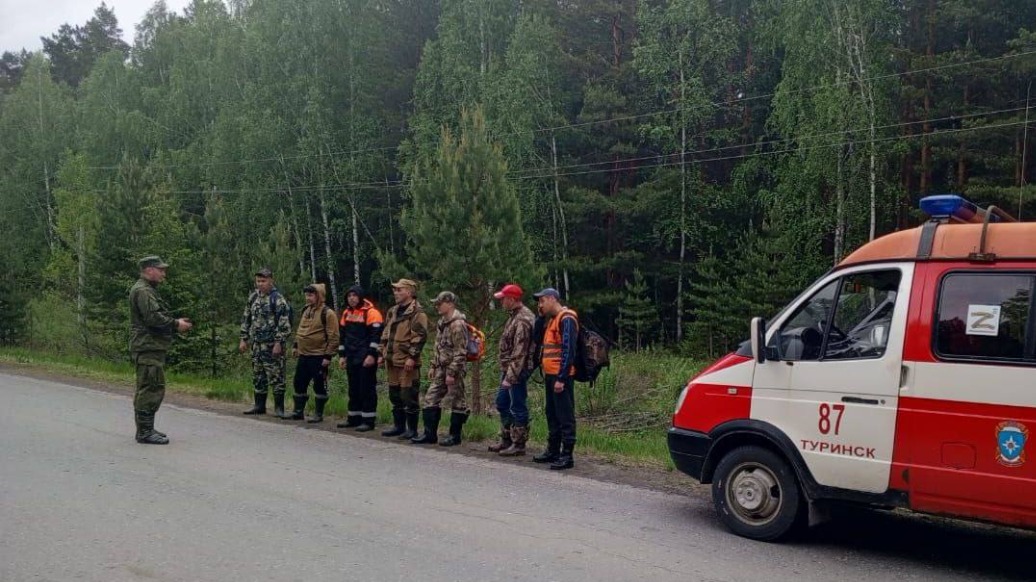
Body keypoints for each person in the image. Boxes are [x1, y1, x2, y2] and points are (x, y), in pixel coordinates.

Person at [128, 256, 192, 445]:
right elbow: (153, 318)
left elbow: (155, 315)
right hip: (147, 346)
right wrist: (176, 324)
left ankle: (146, 428)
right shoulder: (143, 291)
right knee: (151, 386)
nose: (164, 274)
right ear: (149, 270)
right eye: (160, 270)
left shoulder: (146, 290)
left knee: (150, 385)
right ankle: (144, 431)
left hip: (150, 346)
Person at [411, 291, 470, 446]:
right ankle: (429, 434)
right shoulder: (442, 322)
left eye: (440, 303)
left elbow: (461, 352)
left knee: (457, 401)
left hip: (454, 369)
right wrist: (433, 365)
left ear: (450, 304)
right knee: (430, 398)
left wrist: (452, 373)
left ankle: (455, 436)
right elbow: (438, 346)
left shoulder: (458, 325)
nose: (437, 306)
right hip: (441, 367)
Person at [531, 288, 578, 470]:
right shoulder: (551, 320)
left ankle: (567, 455)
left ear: (552, 299)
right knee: (551, 413)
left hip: (561, 376)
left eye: (542, 301)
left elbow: (568, 349)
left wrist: (562, 378)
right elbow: (537, 339)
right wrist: (540, 317)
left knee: (565, 415)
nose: (540, 305)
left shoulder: (567, 318)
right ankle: (553, 450)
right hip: (551, 375)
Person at [488, 284, 536, 456]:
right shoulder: (514, 316)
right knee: (502, 403)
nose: (501, 302)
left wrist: (511, 376)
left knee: (517, 405)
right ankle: (506, 439)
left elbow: (520, 352)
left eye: (503, 299)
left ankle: (519, 444)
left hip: (517, 370)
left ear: (512, 299)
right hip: (509, 369)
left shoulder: (523, 319)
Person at [378, 279, 429, 440]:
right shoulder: (393, 311)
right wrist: (381, 352)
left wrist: (412, 357)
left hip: (407, 362)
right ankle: (398, 426)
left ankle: (412, 429)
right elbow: (386, 333)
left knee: (409, 395)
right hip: (392, 360)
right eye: (395, 290)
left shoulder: (417, 313)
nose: (396, 293)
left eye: (399, 290)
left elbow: (420, 337)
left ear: (409, 292)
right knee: (395, 395)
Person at [239, 267, 292, 417]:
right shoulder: (253, 297)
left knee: (276, 376)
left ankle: (279, 408)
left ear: (271, 281)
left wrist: (278, 343)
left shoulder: (277, 299)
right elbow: (246, 318)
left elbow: (284, 324)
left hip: (272, 345)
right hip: (257, 345)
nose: (260, 284)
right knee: (258, 375)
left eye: (263, 281)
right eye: (258, 281)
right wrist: (243, 338)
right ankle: (259, 405)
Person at [286, 283, 339, 423]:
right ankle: (298, 412)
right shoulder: (306, 310)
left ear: (319, 296)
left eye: (310, 295)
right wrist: (295, 345)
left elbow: (334, 337)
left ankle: (318, 414)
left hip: (319, 355)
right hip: (304, 355)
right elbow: (301, 329)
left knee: (319, 385)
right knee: (299, 382)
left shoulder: (328, 313)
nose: (307, 298)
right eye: (306, 295)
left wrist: (328, 356)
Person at [336, 285, 383, 432]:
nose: (351, 298)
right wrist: (342, 356)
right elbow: (342, 336)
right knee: (353, 389)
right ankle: (353, 418)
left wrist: (371, 355)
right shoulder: (346, 313)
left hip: (365, 357)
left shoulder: (372, 312)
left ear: (360, 297)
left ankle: (368, 420)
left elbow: (376, 336)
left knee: (366, 389)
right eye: (349, 296)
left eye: (354, 295)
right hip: (351, 356)